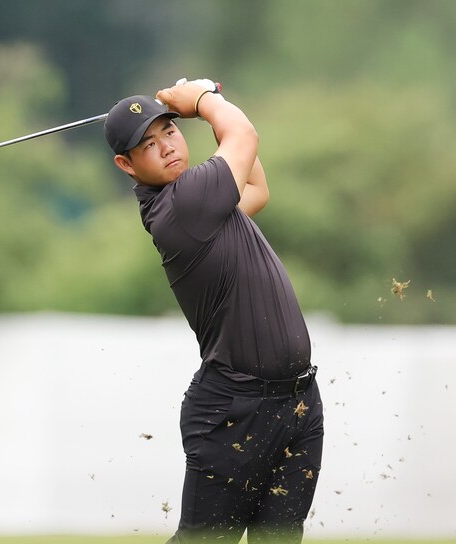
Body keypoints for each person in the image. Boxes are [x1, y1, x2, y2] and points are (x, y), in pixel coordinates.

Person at [104, 79, 324, 543]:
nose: (165, 147)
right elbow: (243, 137)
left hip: (297, 401)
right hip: (235, 407)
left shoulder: (205, 203)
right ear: (127, 165)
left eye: (169, 131)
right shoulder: (182, 204)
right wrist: (204, 100)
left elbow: (257, 186)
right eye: (148, 144)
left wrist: (207, 106)